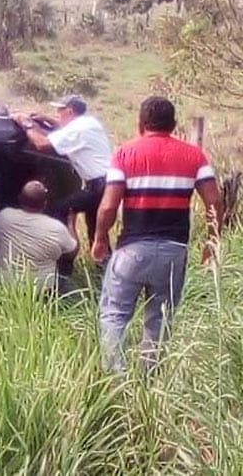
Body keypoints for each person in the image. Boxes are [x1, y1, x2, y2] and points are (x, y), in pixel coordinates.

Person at [92, 96, 222, 374]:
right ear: (173, 125)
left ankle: (115, 380)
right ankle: (149, 381)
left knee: (115, 315)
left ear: (141, 123)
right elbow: (214, 200)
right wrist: (212, 241)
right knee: (159, 320)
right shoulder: (194, 156)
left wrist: (100, 238)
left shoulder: (124, 154)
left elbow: (109, 205)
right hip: (174, 252)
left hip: (132, 250)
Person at [11, 95, 113, 268]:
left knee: (61, 210)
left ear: (70, 111)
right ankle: (105, 266)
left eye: (60, 110)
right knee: (96, 227)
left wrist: (26, 123)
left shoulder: (79, 128)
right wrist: (47, 119)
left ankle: (65, 263)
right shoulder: (89, 123)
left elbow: (41, 143)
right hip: (106, 183)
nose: (57, 113)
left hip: (99, 184)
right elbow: (64, 130)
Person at [0, 180, 79, 293]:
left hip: (5, 286)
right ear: (45, 203)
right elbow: (72, 252)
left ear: (19, 198)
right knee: (71, 285)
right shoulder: (56, 228)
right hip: (42, 291)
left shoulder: (4, 216)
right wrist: (71, 222)